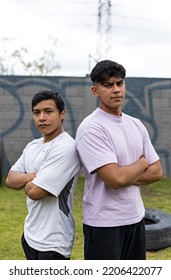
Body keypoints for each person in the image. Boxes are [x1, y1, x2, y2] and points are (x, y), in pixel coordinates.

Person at [75, 60, 163, 260]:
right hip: (104, 224)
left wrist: (124, 174)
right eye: (108, 85)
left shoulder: (136, 124)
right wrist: (141, 164)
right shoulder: (91, 128)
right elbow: (115, 180)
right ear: (95, 91)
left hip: (135, 218)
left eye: (119, 83)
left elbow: (157, 171)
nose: (116, 90)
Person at [6, 90, 81, 260]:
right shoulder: (33, 145)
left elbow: (35, 192)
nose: (41, 117)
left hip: (54, 242)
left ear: (62, 114)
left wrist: (25, 179)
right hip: (30, 235)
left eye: (48, 111)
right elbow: (10, 179)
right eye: (36, 112)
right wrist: (33, 176)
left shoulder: (66, 147)